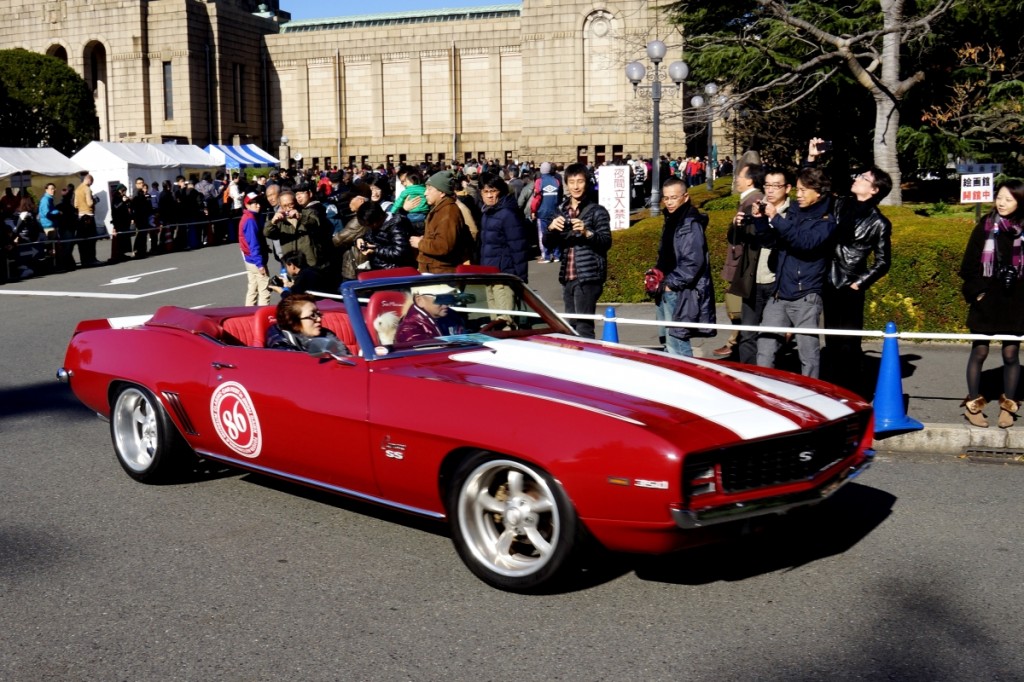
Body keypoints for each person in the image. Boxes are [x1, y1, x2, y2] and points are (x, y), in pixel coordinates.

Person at [814, 139, 893, 389]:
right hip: (828, 278)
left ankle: (852, 390)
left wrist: (860, 282)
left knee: (849, 342)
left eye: (864, 178)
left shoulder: (879, 222)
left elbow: (883, 262)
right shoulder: (841, 203)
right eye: (859, 175)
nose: (858, 178)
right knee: (831, 339)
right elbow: (820, 189)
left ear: (874, 190)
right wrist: (815, 159)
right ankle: (831, 387)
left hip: (850, 284)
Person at [754, 167, 838, 378]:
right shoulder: (794, 213)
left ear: (817, 192)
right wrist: (760, 220)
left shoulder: (826, 221)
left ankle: (812, 396)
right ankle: (764, 393)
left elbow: (804, 243)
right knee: (764, 349)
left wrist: (776, 219)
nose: (797, 195)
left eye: (802, 190)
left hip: (806, 296)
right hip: (779, 293)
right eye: (797, 190)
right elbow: (771, 241)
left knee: (808, 355)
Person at [958, 179, 1024, 428]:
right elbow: (968, 266)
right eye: (999, 197)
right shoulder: (986, 225)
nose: (1002, 203)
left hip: (1016, 301)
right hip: (987, 299)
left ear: (1020, 202)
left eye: (1009, 199)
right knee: (980, 351)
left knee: (1010, 353)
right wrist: (978, 292)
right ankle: (973, 405)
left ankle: (1008, 406)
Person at [542, 163, 612, 339]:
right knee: (571, 326)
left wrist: (587, 232)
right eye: (572, 182)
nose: (575, 186)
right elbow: (548, 244)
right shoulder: (560, 211)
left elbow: (606, 242)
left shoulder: (597, 211)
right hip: (568, 275)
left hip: (588, 277)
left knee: (584, 326)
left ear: (587, 183)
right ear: (566, 183)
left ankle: (588, 361)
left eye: (580, 181)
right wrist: (550, 229)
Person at [650, 178, 715, 356]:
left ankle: (688, 379)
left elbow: (693, 262)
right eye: (666, 198)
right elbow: (667, 254)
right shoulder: (671, 219)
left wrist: (671, 284)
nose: (669, 202)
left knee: (677, 342)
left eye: (674, 197)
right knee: (667, 341)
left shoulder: (690, 223)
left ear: (685, 197)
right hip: (664, 287)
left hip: (678, 290)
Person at [716, 163, 765, 358]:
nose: (736, 179)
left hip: (742, 265)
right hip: (741, 263)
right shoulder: (748, 199)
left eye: (740, 176)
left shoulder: (753, 201)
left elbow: (743, 238)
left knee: (741, 308)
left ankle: (738, 345)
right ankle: (735, 341)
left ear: (750, 180)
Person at [410, 170, 472, 274]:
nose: (425, 193)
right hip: (434, 271)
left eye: (429, 189)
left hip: (441, 274)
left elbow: (444, 246)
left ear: (442, 192)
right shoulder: (440, 209)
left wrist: (420, 243)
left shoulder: (448, 213)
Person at [265, 293, 348, 354]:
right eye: (312, 315)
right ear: (293, 321)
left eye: (318, 314)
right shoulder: (281, 348)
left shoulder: (327, 335)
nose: (319, 319)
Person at [394, 283, 467, 346]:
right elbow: (431, 357)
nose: (446, 304)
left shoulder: (450, 314)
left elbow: (463, 335)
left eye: (448, 298)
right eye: (440, 299)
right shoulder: (409, 330)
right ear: (420, 300)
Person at [354, 201, 416, 270]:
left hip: (395, 271)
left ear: (378, 218)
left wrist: (375, 250)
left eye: (370, 225)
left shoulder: (397, 225)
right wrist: (359, 240)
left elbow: (399, 252)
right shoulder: (375, 226)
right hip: (379, 268)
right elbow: (368, 237)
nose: (370, 227)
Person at [239, 192, 271, 306]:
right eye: (254, 203)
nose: (258, 205)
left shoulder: (247, 217)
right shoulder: (251, 220)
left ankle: (247, 314)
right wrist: (260, 264)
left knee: (253, 288)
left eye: (258, 202)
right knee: (264, 291)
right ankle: (262, 317)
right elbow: (253, 243)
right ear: (247, 205)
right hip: (255, 259)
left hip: (248, 258)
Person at [530, 162, 563, 263]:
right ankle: (557, 255)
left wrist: (533, 210)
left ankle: (546, 256)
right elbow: (559, 197)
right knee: (556, 233)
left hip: (542, 211)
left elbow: (537, 198)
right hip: (555, 211)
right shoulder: (556, 181)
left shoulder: (539, 181)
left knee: (543, 235)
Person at [74, 174, 101, 267]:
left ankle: (83, 260)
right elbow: (90, 203)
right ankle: (92, 259)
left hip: (80, 215)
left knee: (82, 240)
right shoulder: (87, 189)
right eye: (91, 182)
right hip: (89, 215)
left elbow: (75, 205)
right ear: (89, 180)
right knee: (91, 239)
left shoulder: (77, 189)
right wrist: (95, 200)